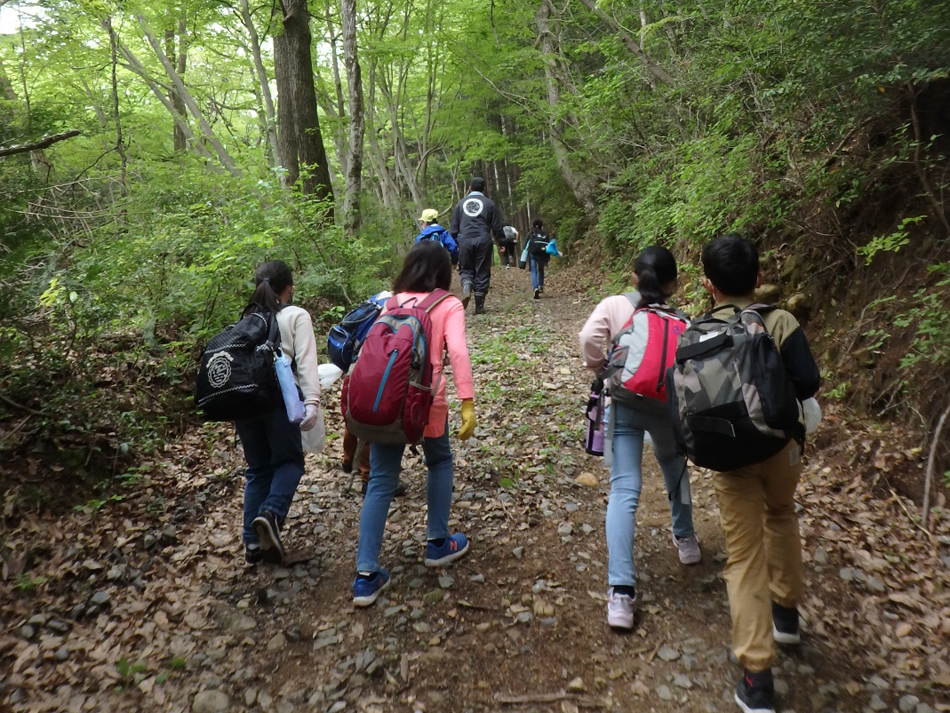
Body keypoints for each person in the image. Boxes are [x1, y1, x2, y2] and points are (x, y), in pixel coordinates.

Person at [699, 234, 820, 713]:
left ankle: (757, 679)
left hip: (730, 459)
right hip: (781, 447)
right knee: (783, 513)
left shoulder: (700, 330)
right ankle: (786, 616)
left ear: (709, 286)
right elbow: (808, 383)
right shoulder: (781, 321)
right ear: (760, 278)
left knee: (743, 556)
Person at [578, 246, 702, 631]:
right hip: (666, 408)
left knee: (624, 489)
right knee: (673, 467)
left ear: (634, 278)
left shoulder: (616, 305)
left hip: (626, 403)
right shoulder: (683, 319)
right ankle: (686, 540)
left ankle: (620, 594)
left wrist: (600, 366)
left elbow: (588, 338)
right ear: (673, 284)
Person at [353, 241, 476, 606]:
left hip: (388, 403)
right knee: (438, 461)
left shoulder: (387, 302)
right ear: (443, 271)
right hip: (426, 400)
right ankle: (438, 542)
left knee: (381, 481)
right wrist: (467, 400)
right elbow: (458, 351)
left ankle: (365, 575)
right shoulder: (448, 303)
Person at [237, 260, 323, 566]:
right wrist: (311, 401)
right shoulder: (296, 315)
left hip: (243, 403)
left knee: (258, 469)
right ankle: (271, 515)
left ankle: (252, 544)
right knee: (289, 462)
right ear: (289, 288)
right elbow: (306, 361)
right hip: (277, 399)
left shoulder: (244, 320)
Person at [449, 177, 505, 314]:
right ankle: (479, 305)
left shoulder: (460, 204)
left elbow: (453, 228)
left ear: (469, 188)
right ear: (483, 189)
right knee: (482, 270)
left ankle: (467, 285)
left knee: (466, 268)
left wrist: (454, 243)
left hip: (465, 240)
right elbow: (497, 226)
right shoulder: (489, 204)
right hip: (483, 239)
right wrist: (501, 242)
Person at [526, 218, 552, 300]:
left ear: (533, 225)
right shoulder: (545, 234)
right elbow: (549, 246)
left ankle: (535, 287)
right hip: (542, 253)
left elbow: (526, 245)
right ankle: (541, 285)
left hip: (533, 253)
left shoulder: (531, 234)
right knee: (541, 269)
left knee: (534, 270)